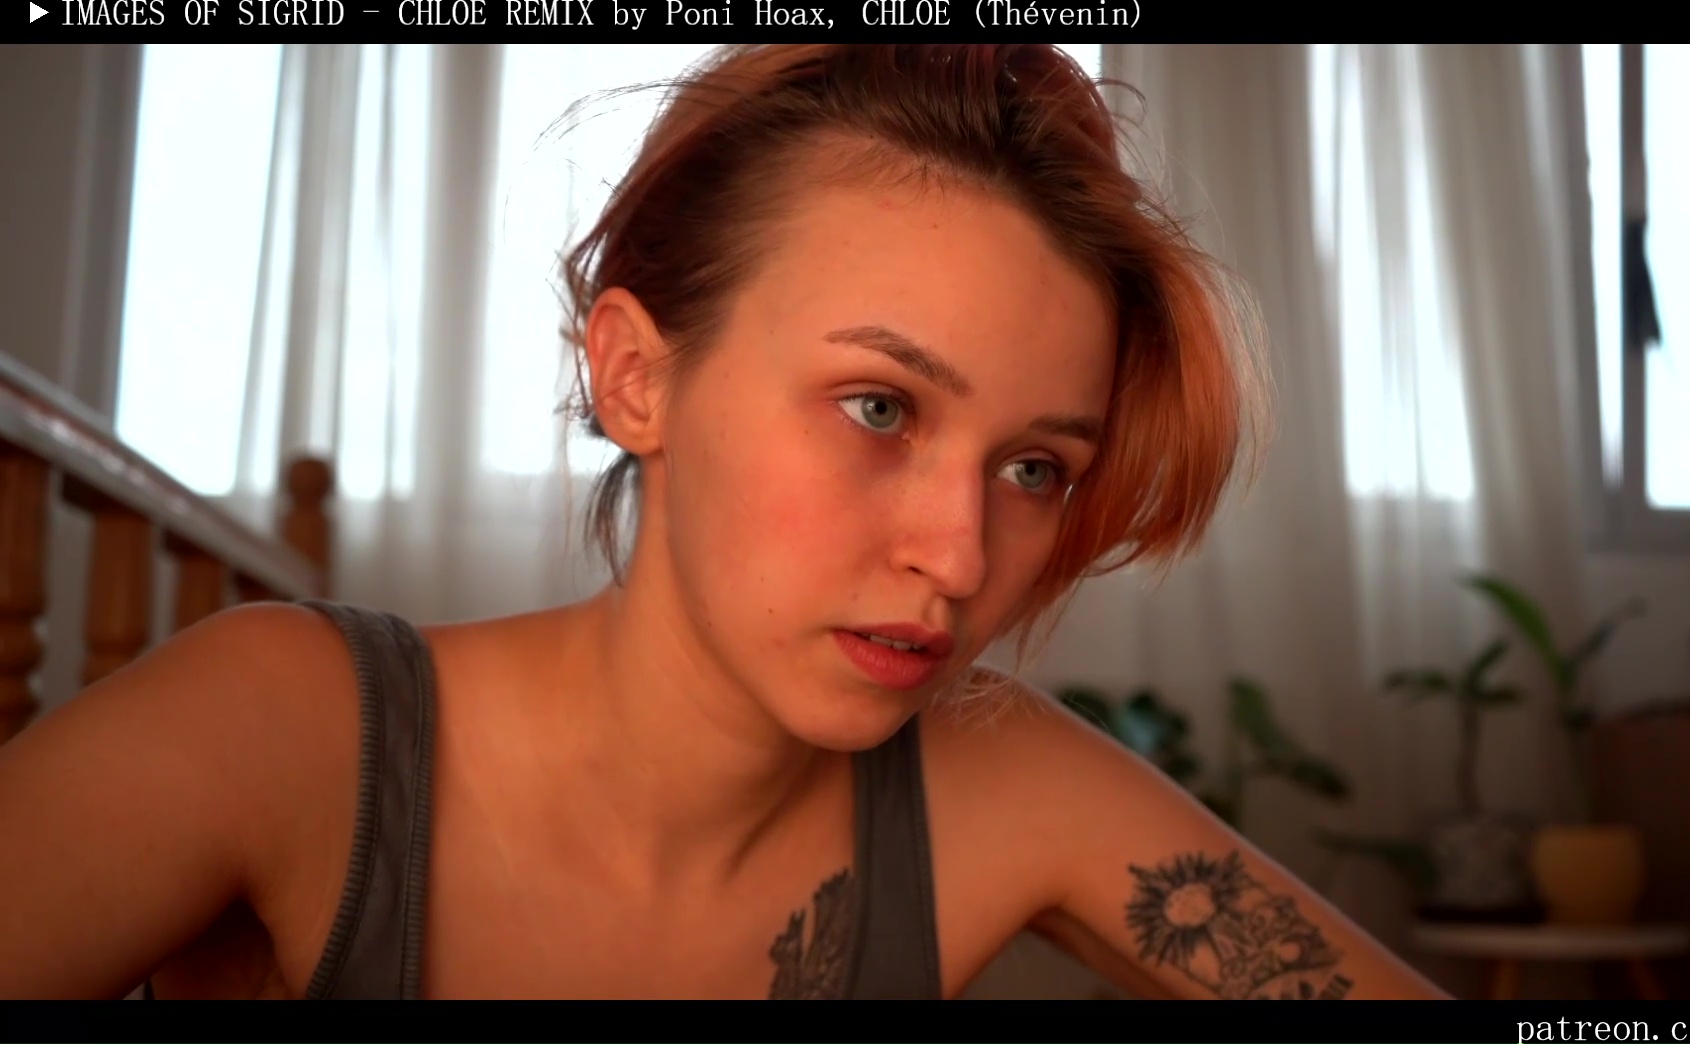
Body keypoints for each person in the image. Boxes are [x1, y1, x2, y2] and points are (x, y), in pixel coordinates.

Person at [0, 44, 1446, 1001]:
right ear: (637, 377)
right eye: (878, 406)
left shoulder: (1000, 786)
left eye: (1032, 469)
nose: (958, 558)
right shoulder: (285, 731)